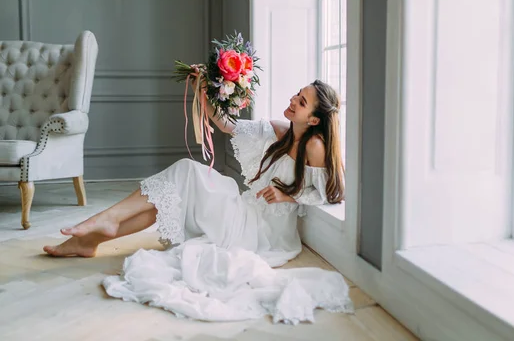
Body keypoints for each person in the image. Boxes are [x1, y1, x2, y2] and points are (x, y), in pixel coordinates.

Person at [43, 80, 345, 268]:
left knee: (186, 173)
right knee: (170, 200)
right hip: (244, 209)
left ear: (315, 119)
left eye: (301, 102)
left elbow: (331, 193)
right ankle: (90, 240)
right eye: (297, 94)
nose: (293, 100)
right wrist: (204, 89)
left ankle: (106, 220)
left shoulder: (315, 146)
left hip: (259, 232)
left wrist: (287, 194)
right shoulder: (282, 130)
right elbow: (227, 125)